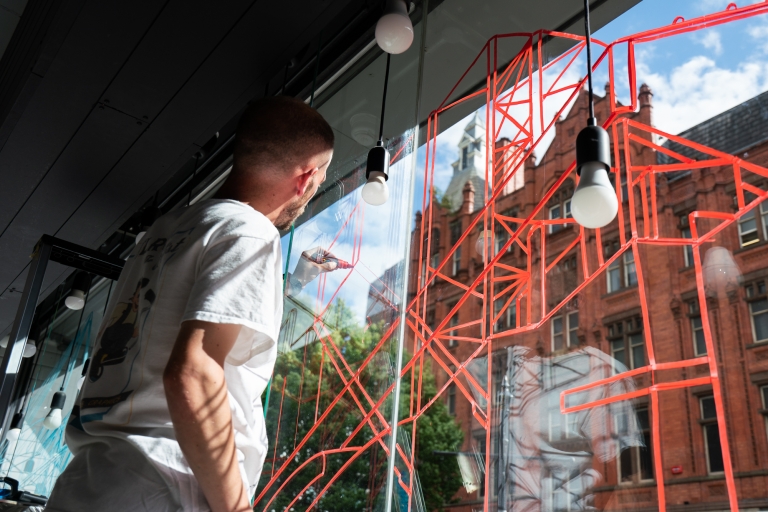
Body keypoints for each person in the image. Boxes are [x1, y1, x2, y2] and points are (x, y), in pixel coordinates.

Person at [46, 96, 337, 512]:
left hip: (90, 478)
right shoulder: (250, 233)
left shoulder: (162, 234)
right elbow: (194, 373)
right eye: (320, 180)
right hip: (165, 482)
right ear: (305, 178)